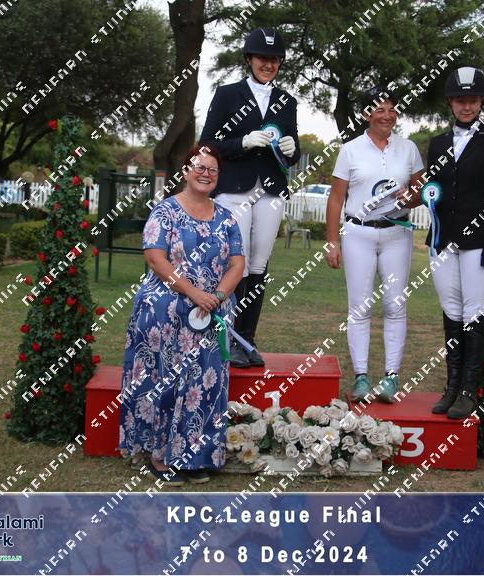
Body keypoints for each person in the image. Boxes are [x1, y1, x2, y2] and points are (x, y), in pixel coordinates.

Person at [118, 145, 245, 485]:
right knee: (166, 380)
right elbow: (155, 258)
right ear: (186, 171)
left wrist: (217, 297)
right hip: (165, 310)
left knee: (205, 383)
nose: (206, 174)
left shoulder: (227, 218)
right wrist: (193, 293)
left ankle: (195, 457)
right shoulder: (165, 212)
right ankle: (160, 456)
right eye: (199, 167)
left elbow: (237, 264)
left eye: (212, 170)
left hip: (211, 313)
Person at [199, 27, 300, 368]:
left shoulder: (287, 101)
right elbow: (208, 143)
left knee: (259, 265)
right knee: (235, 263)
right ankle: (227, 336)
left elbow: (292, 151)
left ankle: (248, 338)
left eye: (274, 60)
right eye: (262, 58)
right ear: (249, 59)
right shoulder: (227, 95)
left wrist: (293, 150)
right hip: (234, 189)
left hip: (270, 190)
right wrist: (242, 143)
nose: (268, 64)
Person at [425, 67, 484, 419]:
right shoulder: (437, 144)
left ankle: (468, 390)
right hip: (442, 241)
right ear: (450, 102)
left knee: (473, 313)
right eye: (460, 100)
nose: (466, 106)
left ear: (481, 102)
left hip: (478, 243)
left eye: (473, 100)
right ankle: (451, 386)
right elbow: (434, 192)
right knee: (451, 311)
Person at [326, 86, 424, 404]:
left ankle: (391, 378)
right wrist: (332, 242)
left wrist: (411, 197)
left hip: (397, 234)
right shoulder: (350, 150)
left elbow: (422, 190)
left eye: (392, 109)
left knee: (395, 304)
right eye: (380, 109)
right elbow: (336, 198)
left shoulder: (408, 148)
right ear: (367, 114)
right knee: (360, 307)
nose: (387, 115)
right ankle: (361, 378)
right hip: (358, 233)